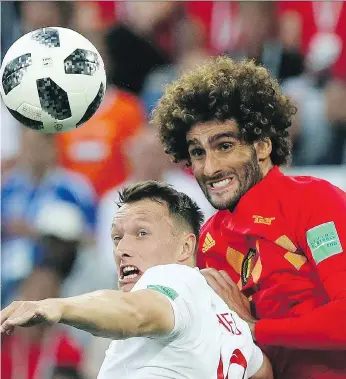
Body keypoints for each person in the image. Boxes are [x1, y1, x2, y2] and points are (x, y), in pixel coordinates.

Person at [151, 56, 346, 378]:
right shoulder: (208, 243)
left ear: (263, 146)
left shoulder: (313, 202)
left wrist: (254, 329)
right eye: (197, 152)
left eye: (224, 146)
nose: (209, 168)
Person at [1, 181, 272, 379]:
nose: (121, 249)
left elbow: (135, 312)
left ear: (185, 247)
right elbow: (262, 371)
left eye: (142, 233)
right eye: (117, 237)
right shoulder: (227, 319)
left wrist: (57, 307)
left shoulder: (174, 278)